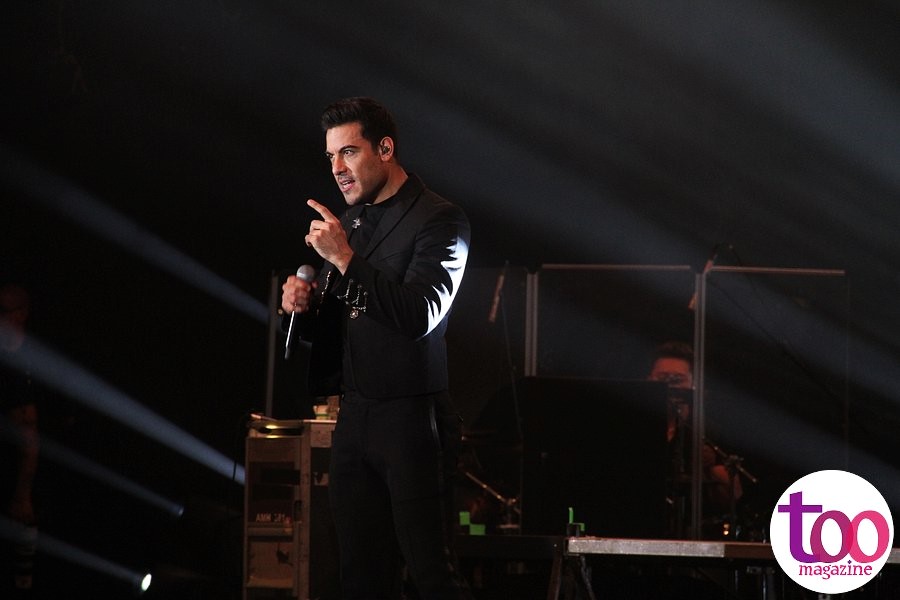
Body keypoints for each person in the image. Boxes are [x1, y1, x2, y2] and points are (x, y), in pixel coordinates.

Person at [281, 97, 472, 599]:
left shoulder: (440, 219)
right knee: (361, 577)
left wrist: (344, 259)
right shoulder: (353, 221)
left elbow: (420, 315)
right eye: (330, 157)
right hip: (355, 417)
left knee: (432, 574)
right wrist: (303, 309)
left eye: (348, 152)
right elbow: (347, 320)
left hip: (411, 419)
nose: (337, 169)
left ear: (385, 149)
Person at [647, 341, 742, 538]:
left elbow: (733, 494)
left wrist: (707, 466)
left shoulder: (707, 431)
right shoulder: (631, 422)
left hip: (693, 533)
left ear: (693, 385)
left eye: (677, 379)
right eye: (662, 378)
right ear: (648, 380)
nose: (670, 386)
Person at [1, 284, 40, 595]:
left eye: (5, 311)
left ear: (22, 314)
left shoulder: (35, 355)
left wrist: (23, 492)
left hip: (27, 467)